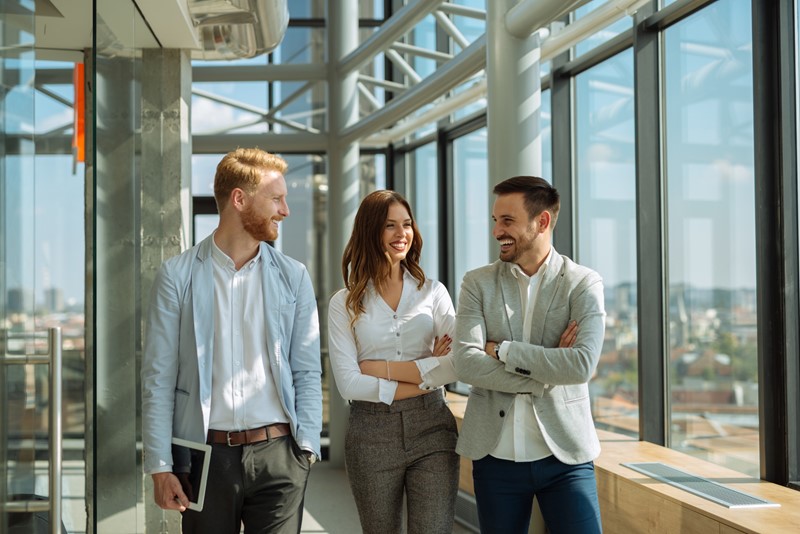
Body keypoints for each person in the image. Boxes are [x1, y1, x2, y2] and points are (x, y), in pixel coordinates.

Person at [141, 147, 322, 534]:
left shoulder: (294, 276)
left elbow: (306, 369)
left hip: (280, 456)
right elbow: (158, 378)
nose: (285, 210)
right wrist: (160, 465)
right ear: (239, 199)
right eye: (276, 199)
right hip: (206, 458)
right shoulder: (177, 276)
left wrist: (305, 449)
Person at [453, 176, 604, 534]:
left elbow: (582, 364)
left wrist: (503, 350)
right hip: (495, 456)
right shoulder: (477, 283)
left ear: (543, 222)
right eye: (495, 221)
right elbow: (465, 362)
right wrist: (547, 373)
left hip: (566, 456)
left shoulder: (582, 283)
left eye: (507, 221)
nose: (497, 231)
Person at [327, 190, 460, 534]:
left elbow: (459, 362)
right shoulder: (344, 303)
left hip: (433, 428)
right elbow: (350, 384)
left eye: (406, 224)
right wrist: (429, 371)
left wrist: (380, 369)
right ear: (371, 231)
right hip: (370, 434)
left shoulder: (433, 292)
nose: (402, 234)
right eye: (390, 225)